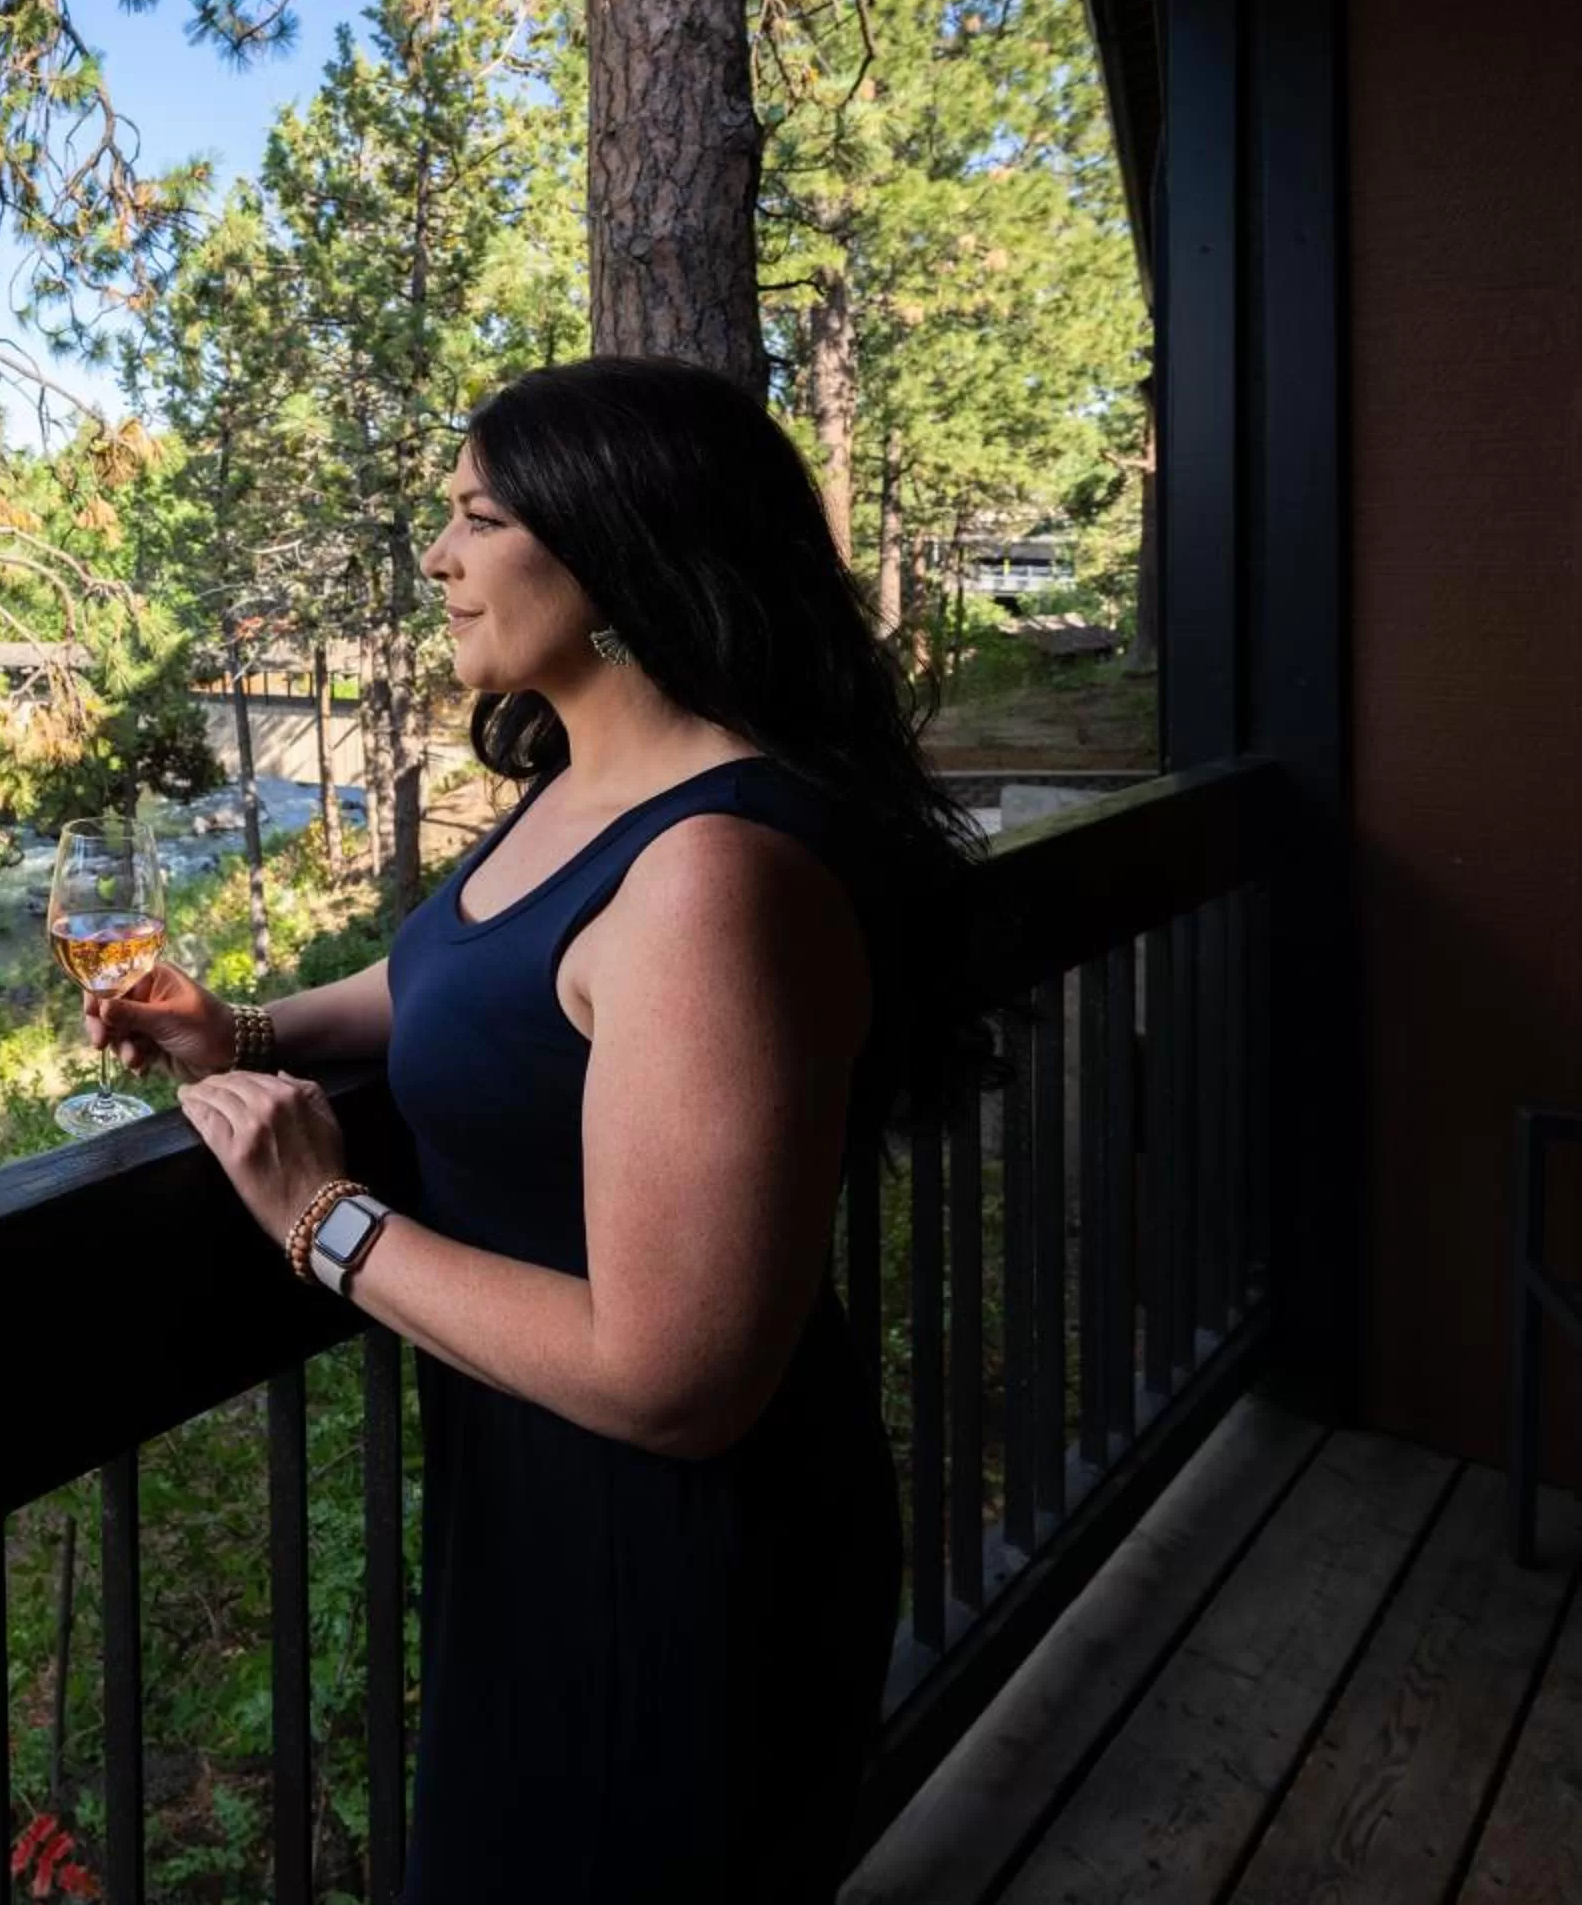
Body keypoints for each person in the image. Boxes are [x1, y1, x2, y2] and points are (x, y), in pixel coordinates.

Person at [85, 356, 977, 1900]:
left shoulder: (712, 872)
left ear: (614, 545)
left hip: (679, 1563)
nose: (437, 558)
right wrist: (232, 1028)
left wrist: (323, 1219)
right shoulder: (590, 787)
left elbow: (675, 1377)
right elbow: (452, 976)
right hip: (539, 1530)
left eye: (475, 517)